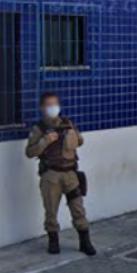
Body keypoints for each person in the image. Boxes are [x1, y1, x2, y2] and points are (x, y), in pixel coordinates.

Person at [25, 93, 95, 256]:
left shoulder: (68, 123)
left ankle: (85, 241)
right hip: (51, 175)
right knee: (51, 211)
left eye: (55, 104)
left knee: (78, 208)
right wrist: (44, 142)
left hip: (71, 174)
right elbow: (29, 152)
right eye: (49, 105)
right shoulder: (38, 129)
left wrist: (74, 135)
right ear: (42, 108)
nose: (53, 108)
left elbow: (80, 141)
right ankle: (53, 240)